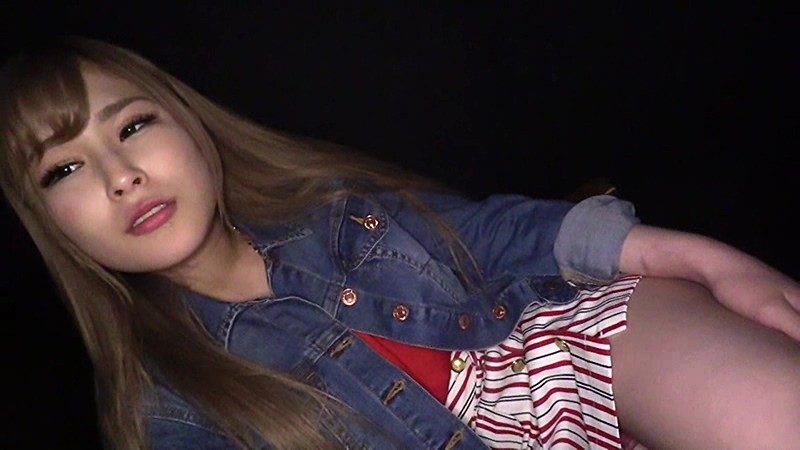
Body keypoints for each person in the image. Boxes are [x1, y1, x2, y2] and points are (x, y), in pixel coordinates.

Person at [1, 37, 798, 450]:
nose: (122, 177)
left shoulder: (331, 212)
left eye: (132, 126)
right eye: (63, 168)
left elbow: (500, 234)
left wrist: (713, 262)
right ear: (47, 221)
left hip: (544, 355)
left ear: (191, 126)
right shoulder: (168, 412)